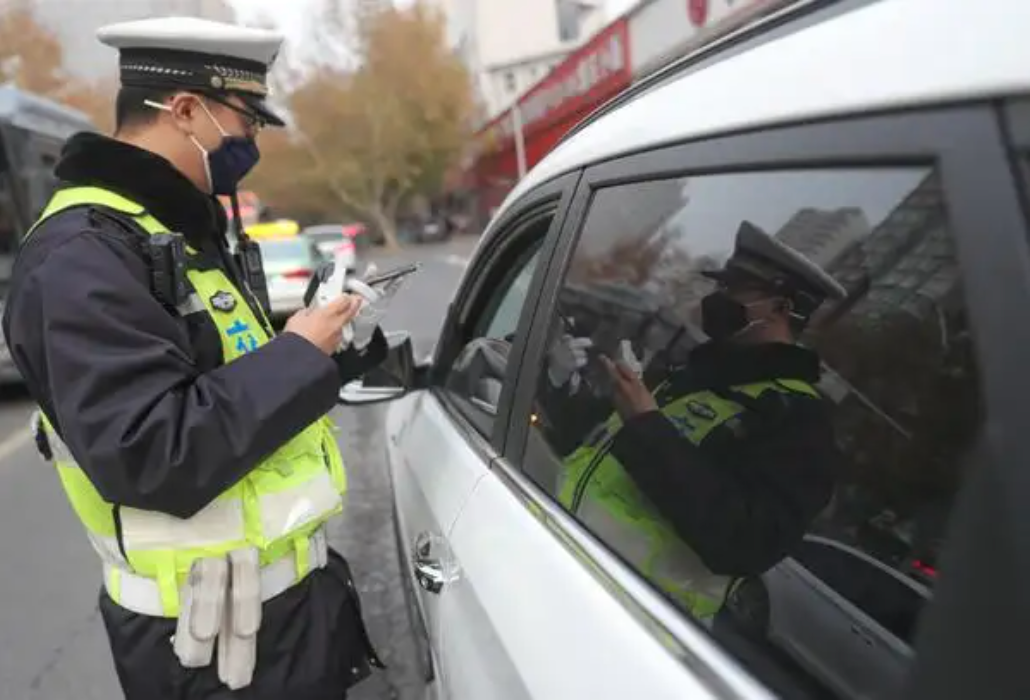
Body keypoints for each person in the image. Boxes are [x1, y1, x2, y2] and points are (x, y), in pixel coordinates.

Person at [2, 17, 391, 700]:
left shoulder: (170, 230)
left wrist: (325, 344)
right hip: (212, 647)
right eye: (247, 122)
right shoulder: (82, 255)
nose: (251, 143)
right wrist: (300, 353)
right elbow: (153, 451)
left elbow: (226, 370)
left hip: (284, 617)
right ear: (184, 110)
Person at [537, 221, 846, 622]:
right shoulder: (695, 373)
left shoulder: (798, 421)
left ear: (781, 308)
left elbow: (743, 542)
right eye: (721, 286)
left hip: (631, 624)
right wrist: (561, 385)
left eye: (735, 289)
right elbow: (602, 452)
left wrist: (647, 426)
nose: (718, 298)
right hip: (561, 573)